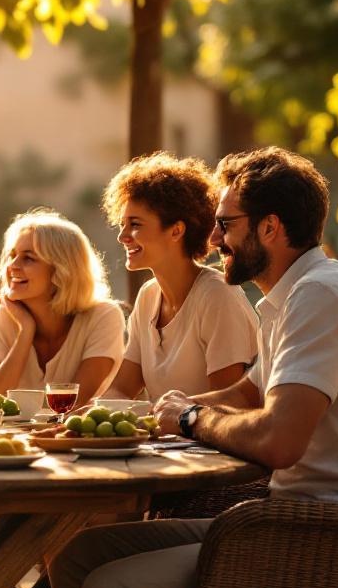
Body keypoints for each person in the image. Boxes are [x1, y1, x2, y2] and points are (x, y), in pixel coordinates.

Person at [49, 147, 338, 588]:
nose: (212, 238)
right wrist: (161, 414)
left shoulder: (320, 297)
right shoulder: (289, 298)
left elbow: (278, 441)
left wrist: (190, 417)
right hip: (294, 515)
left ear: (269, 227)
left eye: (226, 224)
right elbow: (247, 393)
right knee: (79, 558)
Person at [100, 152, 257, 403]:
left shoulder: (217, 296)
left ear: (176, 230)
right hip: (164, 441)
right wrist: (77, 421)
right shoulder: (149, 296)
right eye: (122, 224)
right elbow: (120, 390)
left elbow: (228, 404)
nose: (123, 236)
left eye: (135, 224)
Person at [0, 209, 124, 410]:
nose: (12, 265)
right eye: (12, 255)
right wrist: (25, 331)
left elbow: (74, 403)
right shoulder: (2, 318)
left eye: (28, 258)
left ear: (61, 270)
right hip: (12, 439)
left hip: (73, 439)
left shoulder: (104, 316)